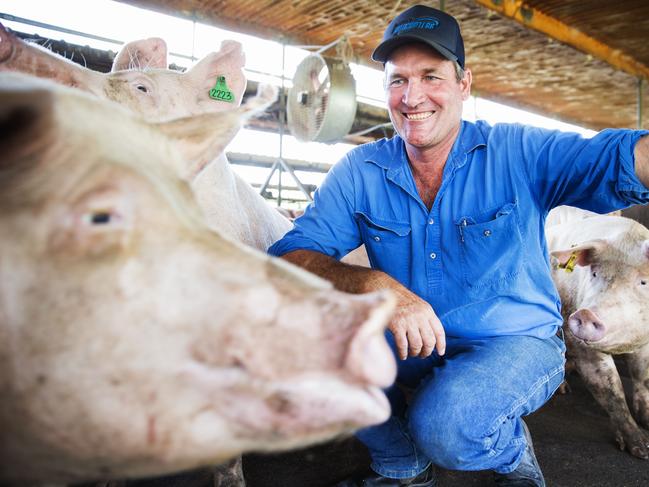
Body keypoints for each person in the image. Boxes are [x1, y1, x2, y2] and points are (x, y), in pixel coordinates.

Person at [269, 5, 649, 487]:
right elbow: (290, 256)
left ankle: (511, 455)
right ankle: (401, 465)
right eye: (397, 80)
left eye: (431, 76)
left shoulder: (518, 152)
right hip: (411, 340)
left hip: (514, 342)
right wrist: (373, 282)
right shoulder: (360, 171)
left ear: (463, 84)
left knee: (447, 426)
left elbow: (617, 157)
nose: (413, 97)